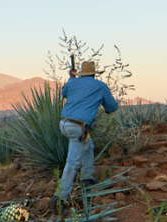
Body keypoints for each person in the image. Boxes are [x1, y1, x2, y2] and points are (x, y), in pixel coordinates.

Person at [49, 60, 119, 213]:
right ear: (94, 74)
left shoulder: (72, 82)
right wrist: (114, 104)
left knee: (89, 147)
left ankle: (87, 178)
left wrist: (71, 78)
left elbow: (64, 93)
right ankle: (59, 199)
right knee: (73, 163)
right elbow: (111, 107)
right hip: (78, 128)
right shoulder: (100, 86)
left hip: (64, 124)